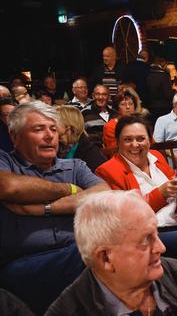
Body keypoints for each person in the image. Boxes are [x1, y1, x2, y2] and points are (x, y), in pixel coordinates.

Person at [0, 101, 110, 314]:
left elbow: (104, 196)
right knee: (98, 255)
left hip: (76, 254)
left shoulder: (75, 165)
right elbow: (9, 187)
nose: (50, 136)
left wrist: (44, 208)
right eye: (38, 129)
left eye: (53, 129)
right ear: (15, 137)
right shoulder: (5, 162)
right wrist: (71, 189)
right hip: (22, 264)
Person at [45, 191, 177, 316]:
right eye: (146, 240)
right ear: (106, 258)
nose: (161, 248)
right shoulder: (68, 310)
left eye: (157, 234)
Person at [95, 114, 177, 266]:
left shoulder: (156, 157)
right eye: (127, 139)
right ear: (118, 142)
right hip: (144, 237)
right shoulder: (108, 171)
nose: (135, 144)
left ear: (149, 140)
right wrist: (161, 193)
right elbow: (124, 218)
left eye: (141, 138)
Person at [57, 106, 107, 172]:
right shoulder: (58, 147)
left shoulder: (92, 156)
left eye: (55, 120)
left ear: (68, 125)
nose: (51, 124)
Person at [147, 56, 175, 121]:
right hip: (163, 108)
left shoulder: (148, 74)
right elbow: (168, 95)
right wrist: (174, 90)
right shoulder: (164, 75)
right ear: (162, 64)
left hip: (151, 106)